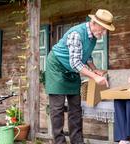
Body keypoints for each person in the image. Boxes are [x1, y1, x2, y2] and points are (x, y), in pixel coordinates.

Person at [45, 9, 115, 144]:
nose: (104, 33)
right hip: (57, 67)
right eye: (103, 29)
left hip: (72, 69)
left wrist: (95, 70)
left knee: (75, 108)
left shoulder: (93, 36)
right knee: (57, 108)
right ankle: (59, 141)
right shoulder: (76, 34)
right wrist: (94, 77)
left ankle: (77, 141)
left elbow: (86, 55)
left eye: (106, 29)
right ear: (94, 23)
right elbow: (76, 62)